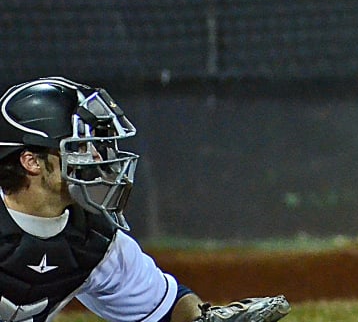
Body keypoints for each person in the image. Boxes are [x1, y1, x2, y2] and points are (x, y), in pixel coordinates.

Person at [0, 77, 291, 322]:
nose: (98, 158)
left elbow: (162, 307)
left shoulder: (92, 238)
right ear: (31, 161)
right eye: (80, 147)